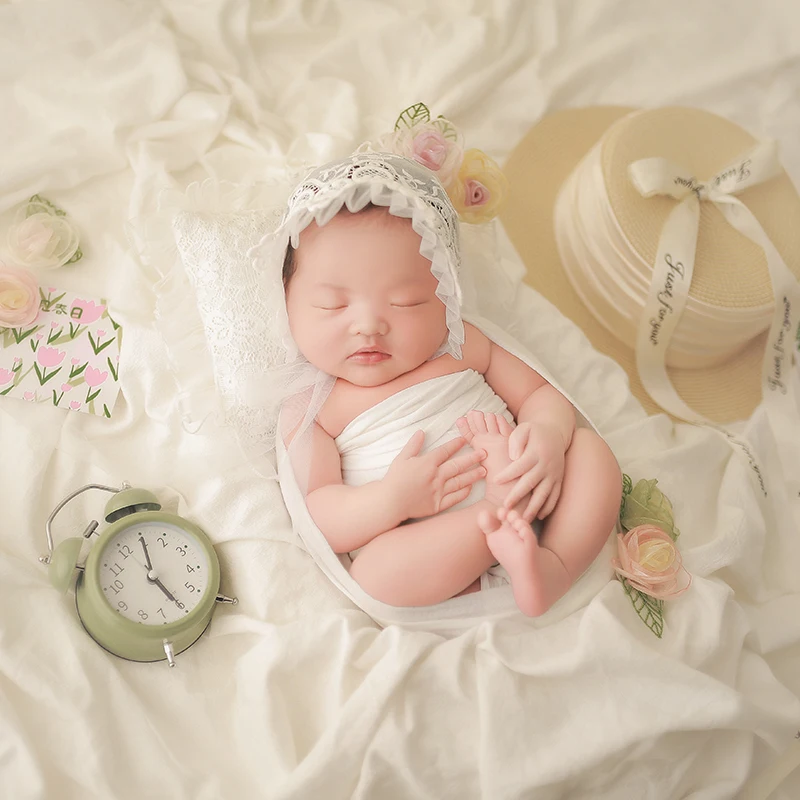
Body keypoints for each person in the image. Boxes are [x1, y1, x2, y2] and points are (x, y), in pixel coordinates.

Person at [271, 152, 622, 617]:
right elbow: (323, 514)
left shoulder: (462, 347)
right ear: (287, 308)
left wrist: (548, 438)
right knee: (375, 574)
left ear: (446, 299)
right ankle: (494, 524)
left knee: (592, 452)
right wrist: (391, 500)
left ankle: (551, 565)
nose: (369, 326)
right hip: (431, 545)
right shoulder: (315, 406)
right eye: (333, 307)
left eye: (407, 302)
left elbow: (540, 396)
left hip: (533, 491)